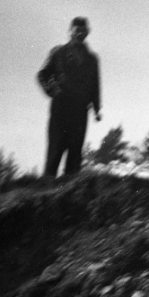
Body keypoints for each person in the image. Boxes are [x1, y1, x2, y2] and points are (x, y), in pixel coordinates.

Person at [37, 16, 102, 177]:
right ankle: (46, 191)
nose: (80, 32)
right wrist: (52, 91)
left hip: (80, 109)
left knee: (75, 154)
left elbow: (95, 84)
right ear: (70, 32)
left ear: (88, 32)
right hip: (61, 107)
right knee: (55, 151)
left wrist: (96, 108)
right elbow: (42, 74)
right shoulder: (58, 52)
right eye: (76, 29)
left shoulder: (92, 59)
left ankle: (69, 193)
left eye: (83, 29)